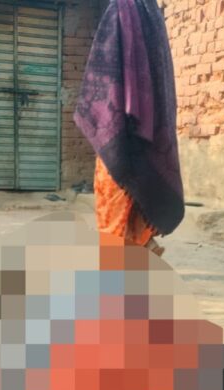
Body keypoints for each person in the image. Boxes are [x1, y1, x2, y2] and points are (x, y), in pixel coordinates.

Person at [74, 0, 184, 255]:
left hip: (122, 133)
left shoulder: (121, 10)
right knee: (134, 203)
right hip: (149, 134)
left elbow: (104, 79)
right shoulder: (151, 12)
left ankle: (120, 264)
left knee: (113, 206)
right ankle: (142, 249)